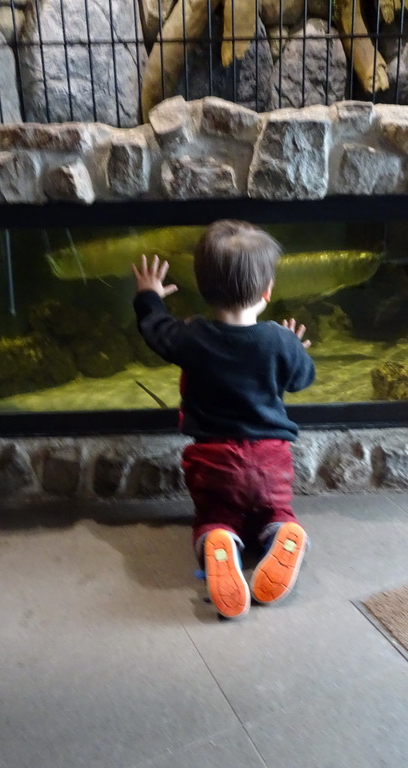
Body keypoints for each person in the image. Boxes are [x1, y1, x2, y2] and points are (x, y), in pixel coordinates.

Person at [132, 219, 316, 620]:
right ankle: (281, 532)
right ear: (268, 292)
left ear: (203, 288)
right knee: (274, 511)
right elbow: (303, 379)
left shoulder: (193, 336)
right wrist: (295, 350)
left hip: (212, 459)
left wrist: (150, 295)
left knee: (216, 516)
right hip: (271, 458)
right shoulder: (279, 340)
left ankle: (219, 539)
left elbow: (155, 330)